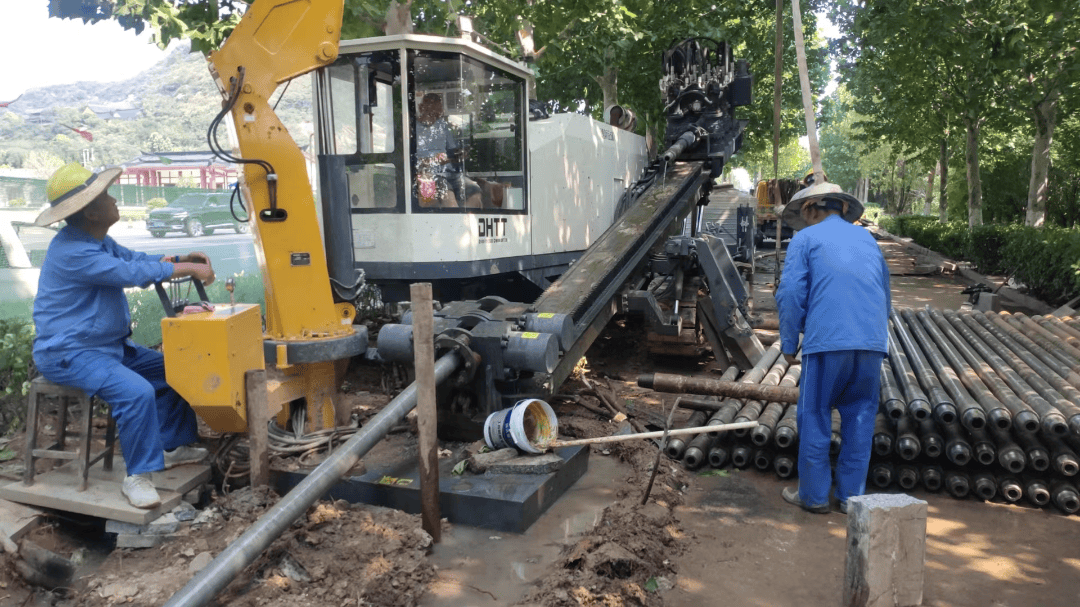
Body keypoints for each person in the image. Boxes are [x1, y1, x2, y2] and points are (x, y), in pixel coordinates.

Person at [32, 163, 217, 509]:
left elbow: (135, 259)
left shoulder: (94, 240)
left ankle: (172, 447)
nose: (114, 199)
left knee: (173, 369)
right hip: (70, 352)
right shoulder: (73, 252)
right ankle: (137, 476)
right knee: (136, 393)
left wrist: (181, 258)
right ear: (91, 211)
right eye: (106, 196)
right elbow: (130, 272)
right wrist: (189, 268)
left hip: (106, 347)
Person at [775, 182, 890, 514]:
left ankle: (813, 497)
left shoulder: (805, 239)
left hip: (827, 341)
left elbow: (791, 293)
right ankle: (850, 497)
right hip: (870, 343)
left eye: (803, 214)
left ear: (811, 208)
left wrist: (787, 342)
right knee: (860, 417)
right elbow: (885, 293)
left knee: (814, 414)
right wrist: (875, 338)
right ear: (841, 208)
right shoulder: (868, 240)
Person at [415, 93, 463, 207]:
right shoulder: (413, 128)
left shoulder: (442, 125)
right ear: (422, 107)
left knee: (475, 194)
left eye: (440, 106)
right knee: (449, 200)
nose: (440, 110)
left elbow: (452, 150)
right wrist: (433, 160)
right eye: (435, 106)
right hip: (427, 173)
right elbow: (411, 160)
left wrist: (460, 154)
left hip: (450, 172)